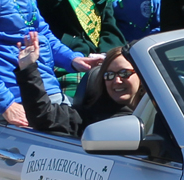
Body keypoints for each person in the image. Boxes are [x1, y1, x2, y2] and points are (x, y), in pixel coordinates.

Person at [15, 32, 143, 137]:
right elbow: (44, 116)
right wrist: (28, 68)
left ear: (141, 75)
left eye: (124, 73)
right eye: (109, 75)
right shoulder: (92, 117)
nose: (117, 81)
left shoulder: (159, 110)